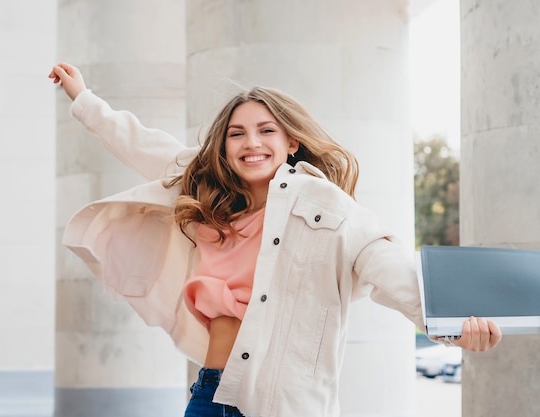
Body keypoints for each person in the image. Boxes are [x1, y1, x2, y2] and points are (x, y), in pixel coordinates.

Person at [49, 62, 502, 417]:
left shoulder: (321, 201)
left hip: (282, 404)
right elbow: (143, 144)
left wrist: (447, 323)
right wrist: (84, 99)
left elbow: (381, 258)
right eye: (237, 134)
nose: (252, 143)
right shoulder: (209, 195)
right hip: (211, 392)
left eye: (267, 131)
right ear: (223, 147)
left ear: (291, 143)